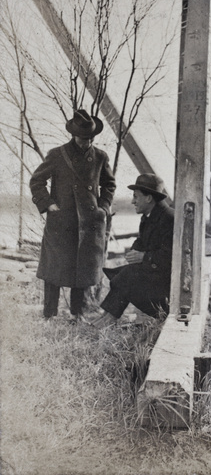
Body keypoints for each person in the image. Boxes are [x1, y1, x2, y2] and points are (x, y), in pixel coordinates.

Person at [29, 109, 116, 322]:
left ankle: (78, 314)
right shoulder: (58, 155)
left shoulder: (100, 157)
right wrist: (49, 204)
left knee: (82, 269)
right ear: (73, 135)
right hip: (62, 221)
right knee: (54, 270)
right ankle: (48, 315)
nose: (86, 143)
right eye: (82, 138)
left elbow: (110, 185)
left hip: (88, 222)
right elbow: (37, 181)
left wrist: (103, 208)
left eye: (90, 139)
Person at [92, 173, 174, 329]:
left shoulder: (169, 218)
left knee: (126, 276)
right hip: (156, 283)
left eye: (136, 197)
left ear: (149, 198)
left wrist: (144, 257)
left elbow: (171, 257)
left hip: (167, 297)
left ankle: (108, 320)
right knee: (120, 274)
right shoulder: (149, 216)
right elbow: (142, 241)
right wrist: (135, 250)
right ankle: (106, 317)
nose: (132, 201)